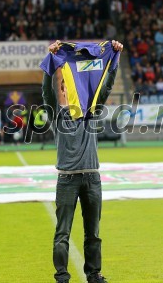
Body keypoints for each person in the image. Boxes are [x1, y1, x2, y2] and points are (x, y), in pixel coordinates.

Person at [41, 40, 123, 283]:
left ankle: (94, 274)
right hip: (66, 179)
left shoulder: (91, 110)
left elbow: (105, 87)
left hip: (92, 178)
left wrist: (115, 59)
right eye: (64, 86)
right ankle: (62, 276)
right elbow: (47, 92)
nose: (67, 89)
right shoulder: (57, 114)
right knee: (62, 232)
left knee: (93, 233)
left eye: (69, 85)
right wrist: (50, 65)